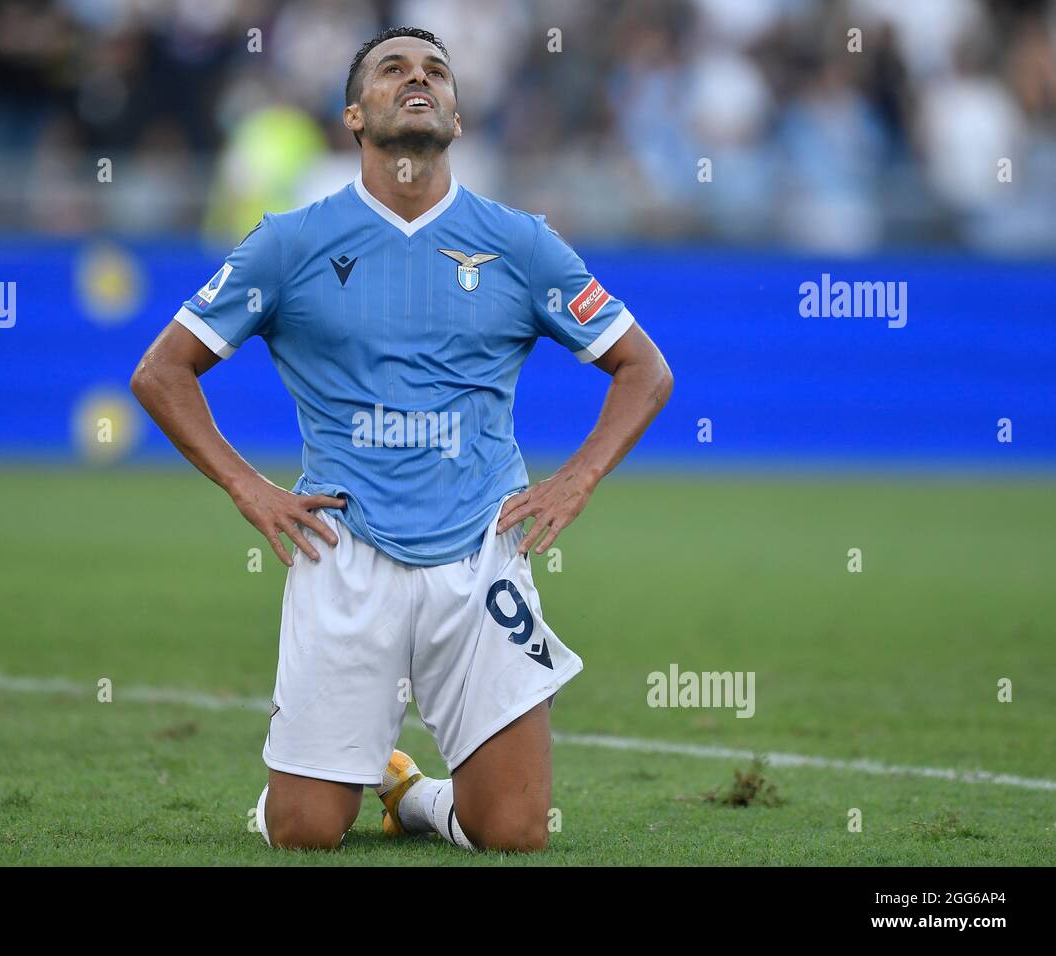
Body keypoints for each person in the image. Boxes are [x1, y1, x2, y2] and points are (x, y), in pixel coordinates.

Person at [131, 26, 672, 852]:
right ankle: (334, 780)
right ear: (355, 113)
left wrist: (577, 480)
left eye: (436, 73)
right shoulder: (290, 242)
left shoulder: (521, 242)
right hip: (345, 551)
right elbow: (162, 372)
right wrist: (250, 487)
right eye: (393, 70)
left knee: (515, 832)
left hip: (481, 550)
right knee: (305, 833)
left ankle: (411, 794)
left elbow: (645, 369)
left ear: (456, 118)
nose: (418, 80)